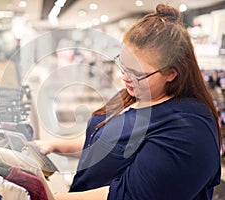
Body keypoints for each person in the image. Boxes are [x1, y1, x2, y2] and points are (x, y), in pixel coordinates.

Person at [35, 4, 222, 200]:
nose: (125, 78)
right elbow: (103, 141)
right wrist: (54, 145)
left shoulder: (189, 129)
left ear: (172, 73)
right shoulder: (134, 94)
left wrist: (50, 197)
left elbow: (129, 195)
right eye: (123, 66)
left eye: (137, 74)